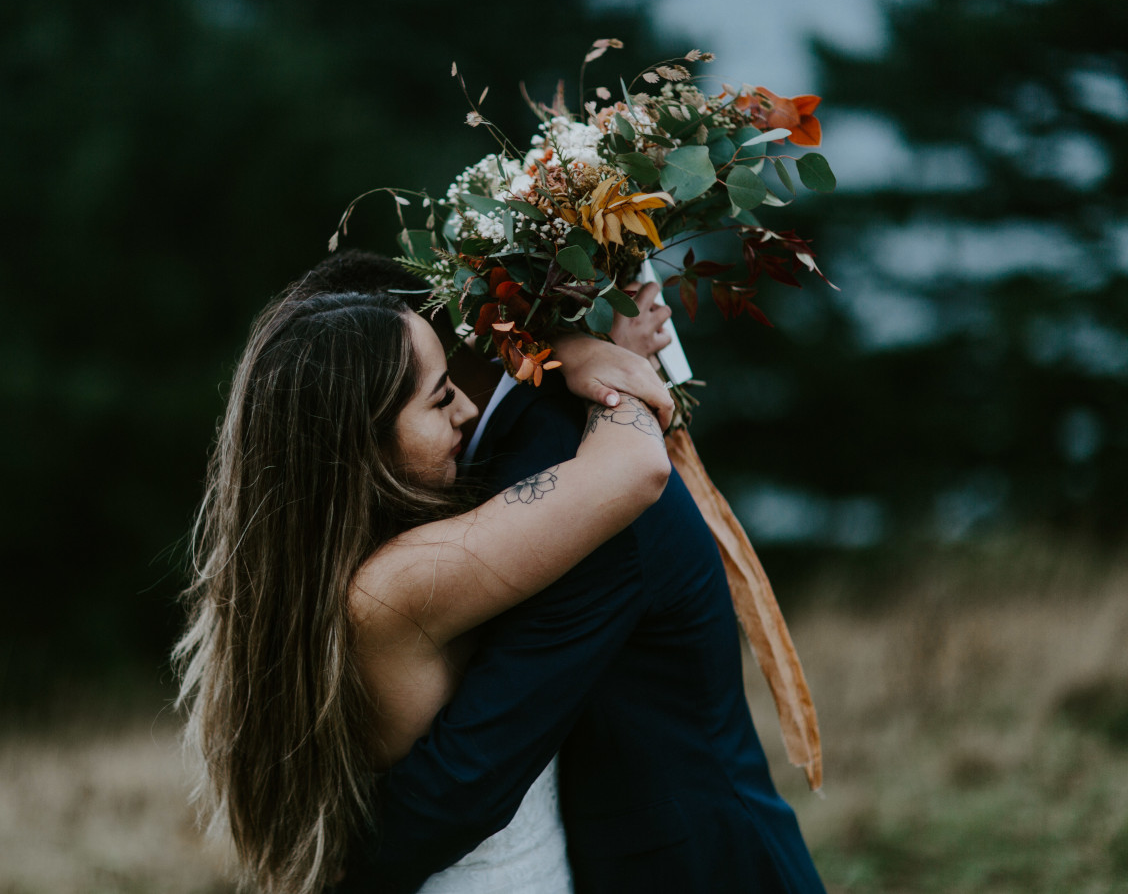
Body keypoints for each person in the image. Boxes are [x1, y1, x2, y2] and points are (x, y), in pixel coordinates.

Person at [173, 271, 675, 894]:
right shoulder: (398, 584)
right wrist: (601, 356)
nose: (466, 407)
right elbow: (636, 468)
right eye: (441, 400)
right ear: (361, 446)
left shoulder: (313, 579)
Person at [333, 271, 829, 891]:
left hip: (696, 865)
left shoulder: (567, 475)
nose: (456, 404)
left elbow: (475, 766)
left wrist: (343, 876)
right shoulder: (534, 445)